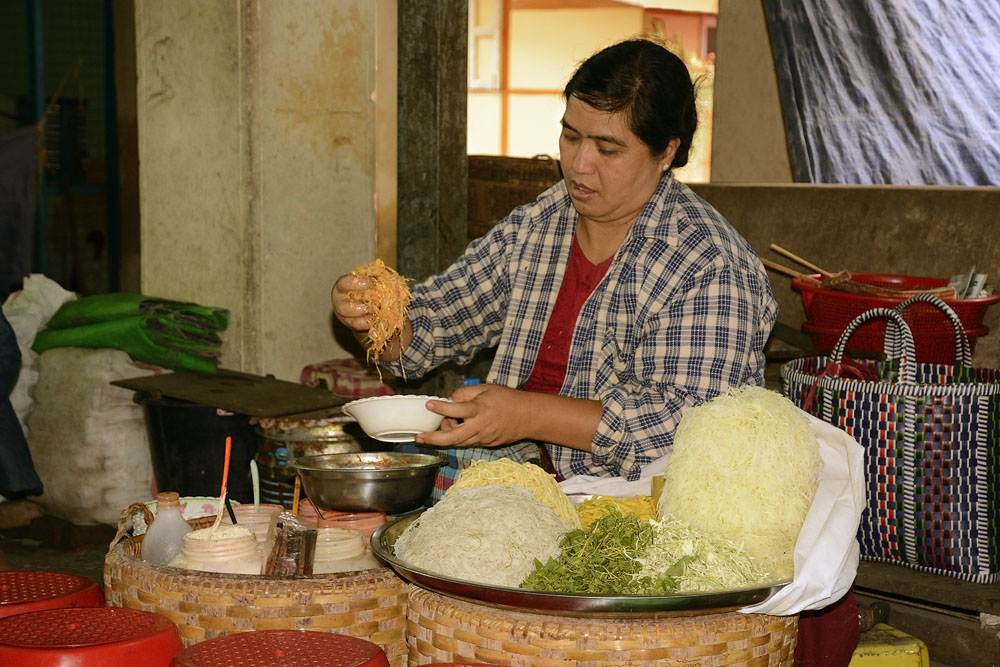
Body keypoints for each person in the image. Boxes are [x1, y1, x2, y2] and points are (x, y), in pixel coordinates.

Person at [333, 39, 776, 483]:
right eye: (571, 136)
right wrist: (377, 317)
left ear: (665, 153)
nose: (579, 165)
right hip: (513, 487)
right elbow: (435, 325)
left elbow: (684, 427)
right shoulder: (543, 222)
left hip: (632, 514)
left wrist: (528, 414)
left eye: (608, 149)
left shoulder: (708, 263)